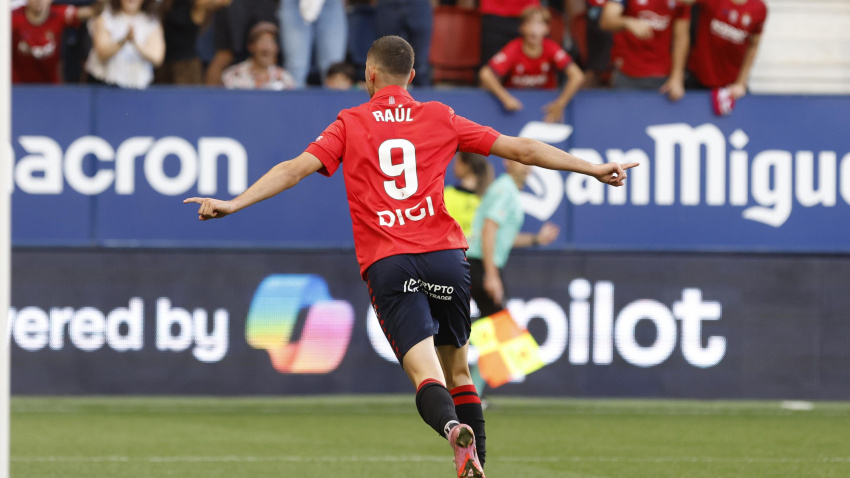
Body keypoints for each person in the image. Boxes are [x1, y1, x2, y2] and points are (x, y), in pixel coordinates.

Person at [184, 35, 636, 478]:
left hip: (389, 260)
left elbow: (293, 171)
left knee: (427, 375)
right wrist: (592, 168)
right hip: (445, 257)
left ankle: (451, 428)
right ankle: (478, 462)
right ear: (412, 76)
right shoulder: (441, 116)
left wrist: (235, 202)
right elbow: (524, 149)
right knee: (461, 372)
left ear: (370, 74)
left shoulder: (350, 121)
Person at [479, 6, 586, 123]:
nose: (534, 30)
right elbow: (486, 74)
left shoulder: (551, 47)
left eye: (539, 24)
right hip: (516, 109)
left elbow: (577, 76)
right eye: (529, 24)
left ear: (547, 29)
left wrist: (560, 103)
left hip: (545, 107)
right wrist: (505, 98)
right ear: (522, 28)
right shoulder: (514, 48)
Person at [600, 0, 691, 101]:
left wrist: (677, 76)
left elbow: (681, 36)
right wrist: (627, 22)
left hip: (662, 76)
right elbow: (606, 21)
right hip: (627, 74)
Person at [679, 0, 767, 100]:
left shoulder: (759, 8)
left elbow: (753, 45)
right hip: (697, 78)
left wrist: (741, 82)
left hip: (731, 86)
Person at [12, 0, 102, 84]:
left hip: (51, 86)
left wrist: (103, 3)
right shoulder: (12, 18)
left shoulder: (59, 15)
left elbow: (92, 11)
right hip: (19, 86)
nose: (39, 1)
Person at [84, 0, 165, 89]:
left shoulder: (151, 22)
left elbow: (157, 58)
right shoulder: (105, 17)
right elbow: (102, 54)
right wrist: (124, 40)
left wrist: (135, 43)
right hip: (103, 84)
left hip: (137, 87)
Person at [156, 0, 230, 85]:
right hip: (162, 63)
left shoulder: (199, 5)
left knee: (186, 97)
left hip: (186, 65)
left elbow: (223, 2)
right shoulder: (168, 4)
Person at [204, 0, 277, 86]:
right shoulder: (231, 75)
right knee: (225, 55)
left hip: (262, 6)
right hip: (230, 7)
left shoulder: (283, 77)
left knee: (266, 39)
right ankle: (208, 96)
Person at [278, 0, 348, 88]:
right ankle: (295, 102)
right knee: (295, 68)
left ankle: (335, 102)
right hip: (295, 3)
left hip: (330, 3)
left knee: (334, 70)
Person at [221, 21, 296, 90]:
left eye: (271, 42)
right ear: (251, 47)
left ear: (277, 48)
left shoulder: (285, 79)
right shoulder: (233, 75)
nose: (266, 47)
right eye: (262, 41)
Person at [374, 0, 433, 86]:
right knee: (386, 61)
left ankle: (423, 96)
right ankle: (386, 96)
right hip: (387, 4)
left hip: (419, 4)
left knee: (421, 68)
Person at [444, 152, 494, 238]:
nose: (453, 165)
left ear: (466, 165)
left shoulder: (446, 195)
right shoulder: (487, 199)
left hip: (453, 249)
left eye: (457, 161)